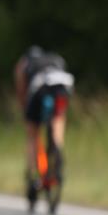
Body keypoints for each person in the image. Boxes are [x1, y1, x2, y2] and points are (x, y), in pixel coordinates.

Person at [13, 46, 75, 206]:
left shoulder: (24, 63)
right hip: (63, 84)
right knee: (58, 119)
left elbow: (21, 90)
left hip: (40, 88)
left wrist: (25, 111)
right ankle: (57, 146)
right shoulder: (56, 58)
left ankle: (33, 173)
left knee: (32, 134)